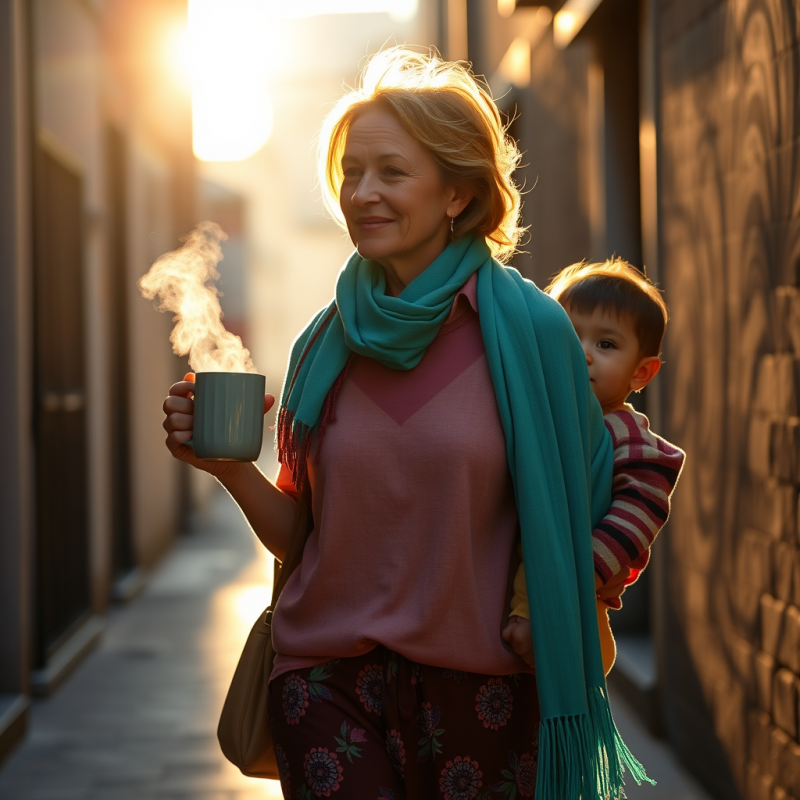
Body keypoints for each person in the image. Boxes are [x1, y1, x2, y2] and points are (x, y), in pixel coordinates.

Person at [162, 48, 648, 800]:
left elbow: (604, 489)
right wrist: (227, 465)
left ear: (457, 193)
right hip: (324, 682)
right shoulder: (324, 346)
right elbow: (304, 535)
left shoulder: (533, 334)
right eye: (351, 173)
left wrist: (574, 598)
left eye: (391, 172)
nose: (363, 193)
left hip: (484, 691)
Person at [502, 259, 686, 676]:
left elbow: (641, 511)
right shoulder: (539, 414)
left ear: (641, 372)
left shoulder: (623, 434)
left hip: (572, 585)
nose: (581, 354)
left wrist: (571, 580)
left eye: (606, 345)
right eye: (568, 336)